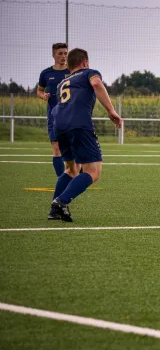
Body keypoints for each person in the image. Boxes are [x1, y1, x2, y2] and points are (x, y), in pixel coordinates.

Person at [48, 48, 122, 222]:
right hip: (78, 124)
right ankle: (61, 201)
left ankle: (54, 210)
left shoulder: (62, 84)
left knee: (72, 169)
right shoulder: (89, 73)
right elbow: (96, 84)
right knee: (93, 171)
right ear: (85, 62)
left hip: (59, 126)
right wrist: (111, 110)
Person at [38, 43, 70, 177]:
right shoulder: (46, 73)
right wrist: (43, 95)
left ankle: (74, 175)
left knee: (71, 148)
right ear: (53, 55)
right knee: (56, 147)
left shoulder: (72, 72)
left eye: (65, 53)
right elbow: (39, 90)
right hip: (53, 116)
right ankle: (60, 179)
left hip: (71, 116)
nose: (63, 56)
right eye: (60, 53)